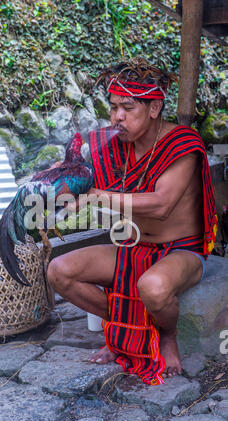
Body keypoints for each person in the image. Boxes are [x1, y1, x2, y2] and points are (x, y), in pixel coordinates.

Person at [47, 57, 217, 385]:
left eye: (128, 108)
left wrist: (97, 195)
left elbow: (161, 205)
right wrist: (58, 175)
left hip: (180, 250)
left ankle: (166, 337)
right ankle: (125, 327)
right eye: (113, 108)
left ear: (154, 109)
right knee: (59, 271)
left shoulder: (183, 144)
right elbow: (76, 175)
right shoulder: (111, 144)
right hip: (131, 245)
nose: (117, 117)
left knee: (152, 288)